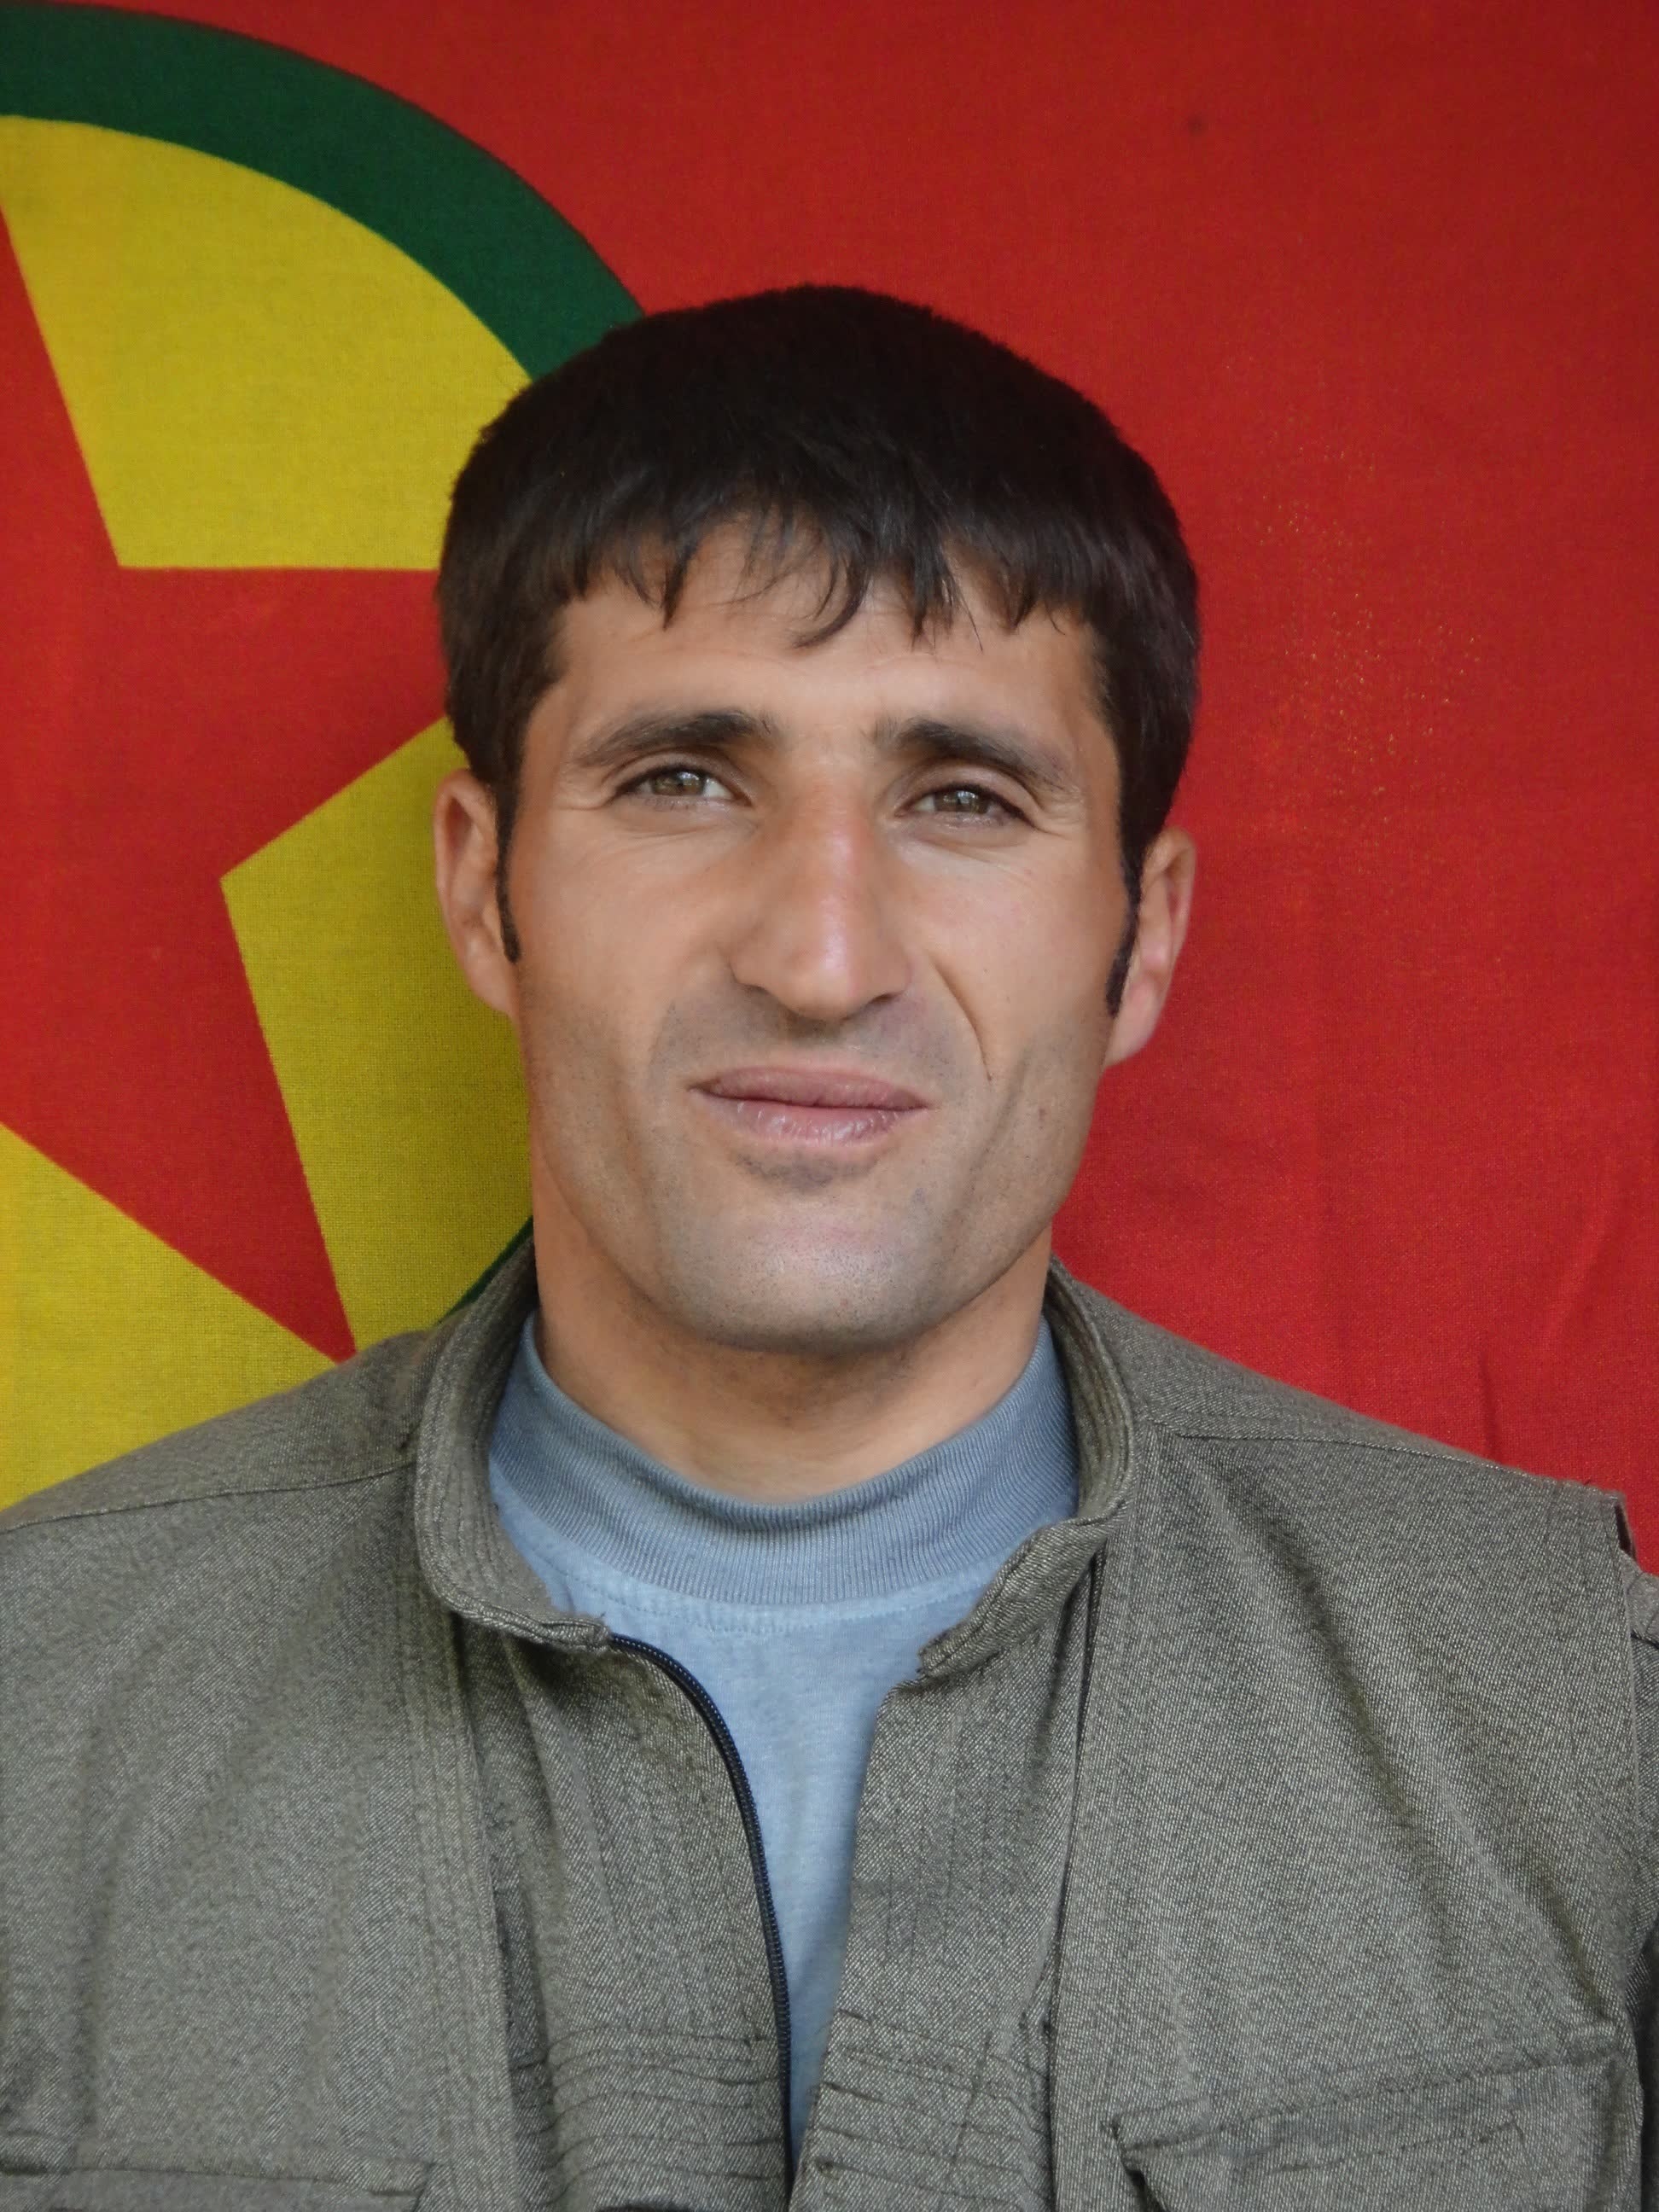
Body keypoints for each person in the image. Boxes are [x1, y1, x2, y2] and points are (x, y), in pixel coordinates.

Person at [2, 284, 1654, 2212]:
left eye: (963, 798)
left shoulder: (1569, 1708)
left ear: (1144, 940)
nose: (820, 956)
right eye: (682, 781)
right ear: (480, 886)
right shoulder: (36, 1713)